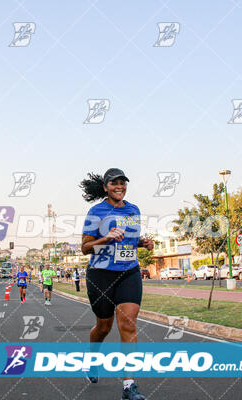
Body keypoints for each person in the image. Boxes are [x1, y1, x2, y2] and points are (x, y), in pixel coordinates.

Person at [80, 168, 153, 400]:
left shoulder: (134, 210)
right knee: (103, 327)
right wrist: (106, 237)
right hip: (100, 274)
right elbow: (85, 248)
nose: (119, 186)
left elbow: (128, 241)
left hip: (128, 271)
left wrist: (143, 243)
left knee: (129, 324)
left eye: (122, 183)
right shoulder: (96, 211)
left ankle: (128, 385)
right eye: (114, 183)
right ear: (105, 187)